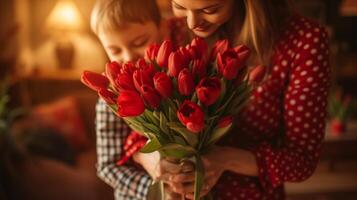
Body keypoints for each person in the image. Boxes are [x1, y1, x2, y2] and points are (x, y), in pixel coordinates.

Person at [131, 0, 331, 199]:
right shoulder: (171, 31)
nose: (192, 23)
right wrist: (154, 159)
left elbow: (301, 161)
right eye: (179, 6)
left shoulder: (302, 40)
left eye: (210, 9)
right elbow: (136, 134)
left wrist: (223, 159)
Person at [91, 0, 189, 199]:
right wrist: (157, 191)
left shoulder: (180, 76)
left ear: (162, 28)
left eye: (139, 43)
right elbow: (107, 166)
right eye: (115, 51)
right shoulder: (109, 98)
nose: (128, 57)